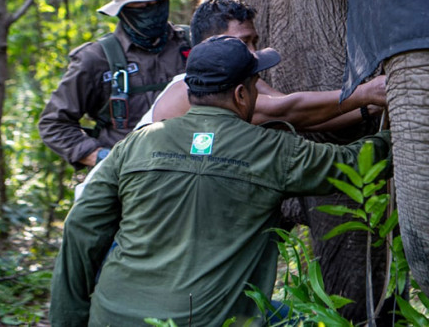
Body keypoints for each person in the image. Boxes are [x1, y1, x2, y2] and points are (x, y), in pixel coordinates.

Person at [49, 35, 392, 327]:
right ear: (242, 95)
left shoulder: (137, 143)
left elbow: (80, 229)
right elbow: (352, 163)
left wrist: (69, 321)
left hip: (114, 316)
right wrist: (404, 127)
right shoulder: (271, 150)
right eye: (257, 87)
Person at [137, 0, 386, 130]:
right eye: (244, 42)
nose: (253, 52)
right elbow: (287, 110)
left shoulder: (242, 82)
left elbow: (299, 116)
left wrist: (366, 109)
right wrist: (366, 93)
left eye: (255, 41)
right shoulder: (189, 89)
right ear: (210, 43)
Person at [38, 0, 191, 168]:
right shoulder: (96, 59)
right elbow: (53, 124)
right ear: (122, 10)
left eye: (158, 2)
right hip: (132, 176)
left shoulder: (192, 43)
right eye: (143, 6)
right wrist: (103, 159)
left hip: (194, 167)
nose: (153, 10)